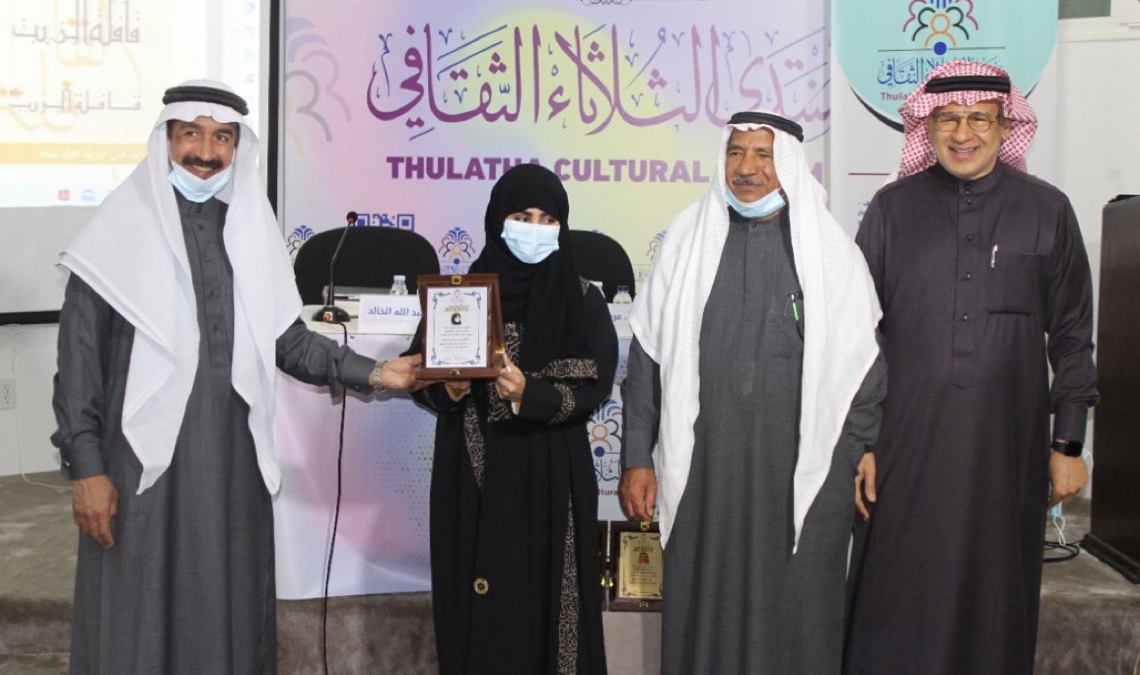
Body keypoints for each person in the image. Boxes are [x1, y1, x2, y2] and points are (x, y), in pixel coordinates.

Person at [51, 80, 422, 674]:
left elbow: (289, 341)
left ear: (236, 147)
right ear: (166, 139)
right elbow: (78, 365)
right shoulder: (116, 235)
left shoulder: (248, 229)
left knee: (224, 607)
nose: (206, 152)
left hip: (232, 464)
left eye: (222, 138)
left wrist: (377, 372)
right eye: (191, 135)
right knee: (134, 611)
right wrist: (88, 470)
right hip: (138, 467)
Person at [844, 61, 1098, 675]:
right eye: (948, 119)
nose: (963, 133)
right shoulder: (891, 209)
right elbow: (856, 338)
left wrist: (1068, 442)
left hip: (1006, 448)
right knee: (895, 594)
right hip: (903, 446)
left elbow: (1072, 335)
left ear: (1005, 124)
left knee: (995, 597)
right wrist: (861, 443)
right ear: (925, 128)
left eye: (979, 118)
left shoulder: (1047, 209)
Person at [619, 111, 887, 674]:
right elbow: (646, 357)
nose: (747, 168)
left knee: (796, 612)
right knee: (702, 601)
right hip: (704, 471)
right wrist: (638, 457)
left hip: (802, 474)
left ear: (787, 162)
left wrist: (855, 449)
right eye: (735, 153)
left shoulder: (829, 252)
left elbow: (863, 366)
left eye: (763, 155)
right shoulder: (686, 240)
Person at [409, 164, 617, 675]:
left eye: (548, 219)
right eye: (522, 217)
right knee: (479, 604)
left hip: (553, 476)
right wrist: (450, 388)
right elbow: (423, 371)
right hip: (474, 471)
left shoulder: (583, 299)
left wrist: (533, 394)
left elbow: (595, 382)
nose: (534, 229)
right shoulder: (462, 294)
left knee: (553, 604)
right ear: (497, 219)